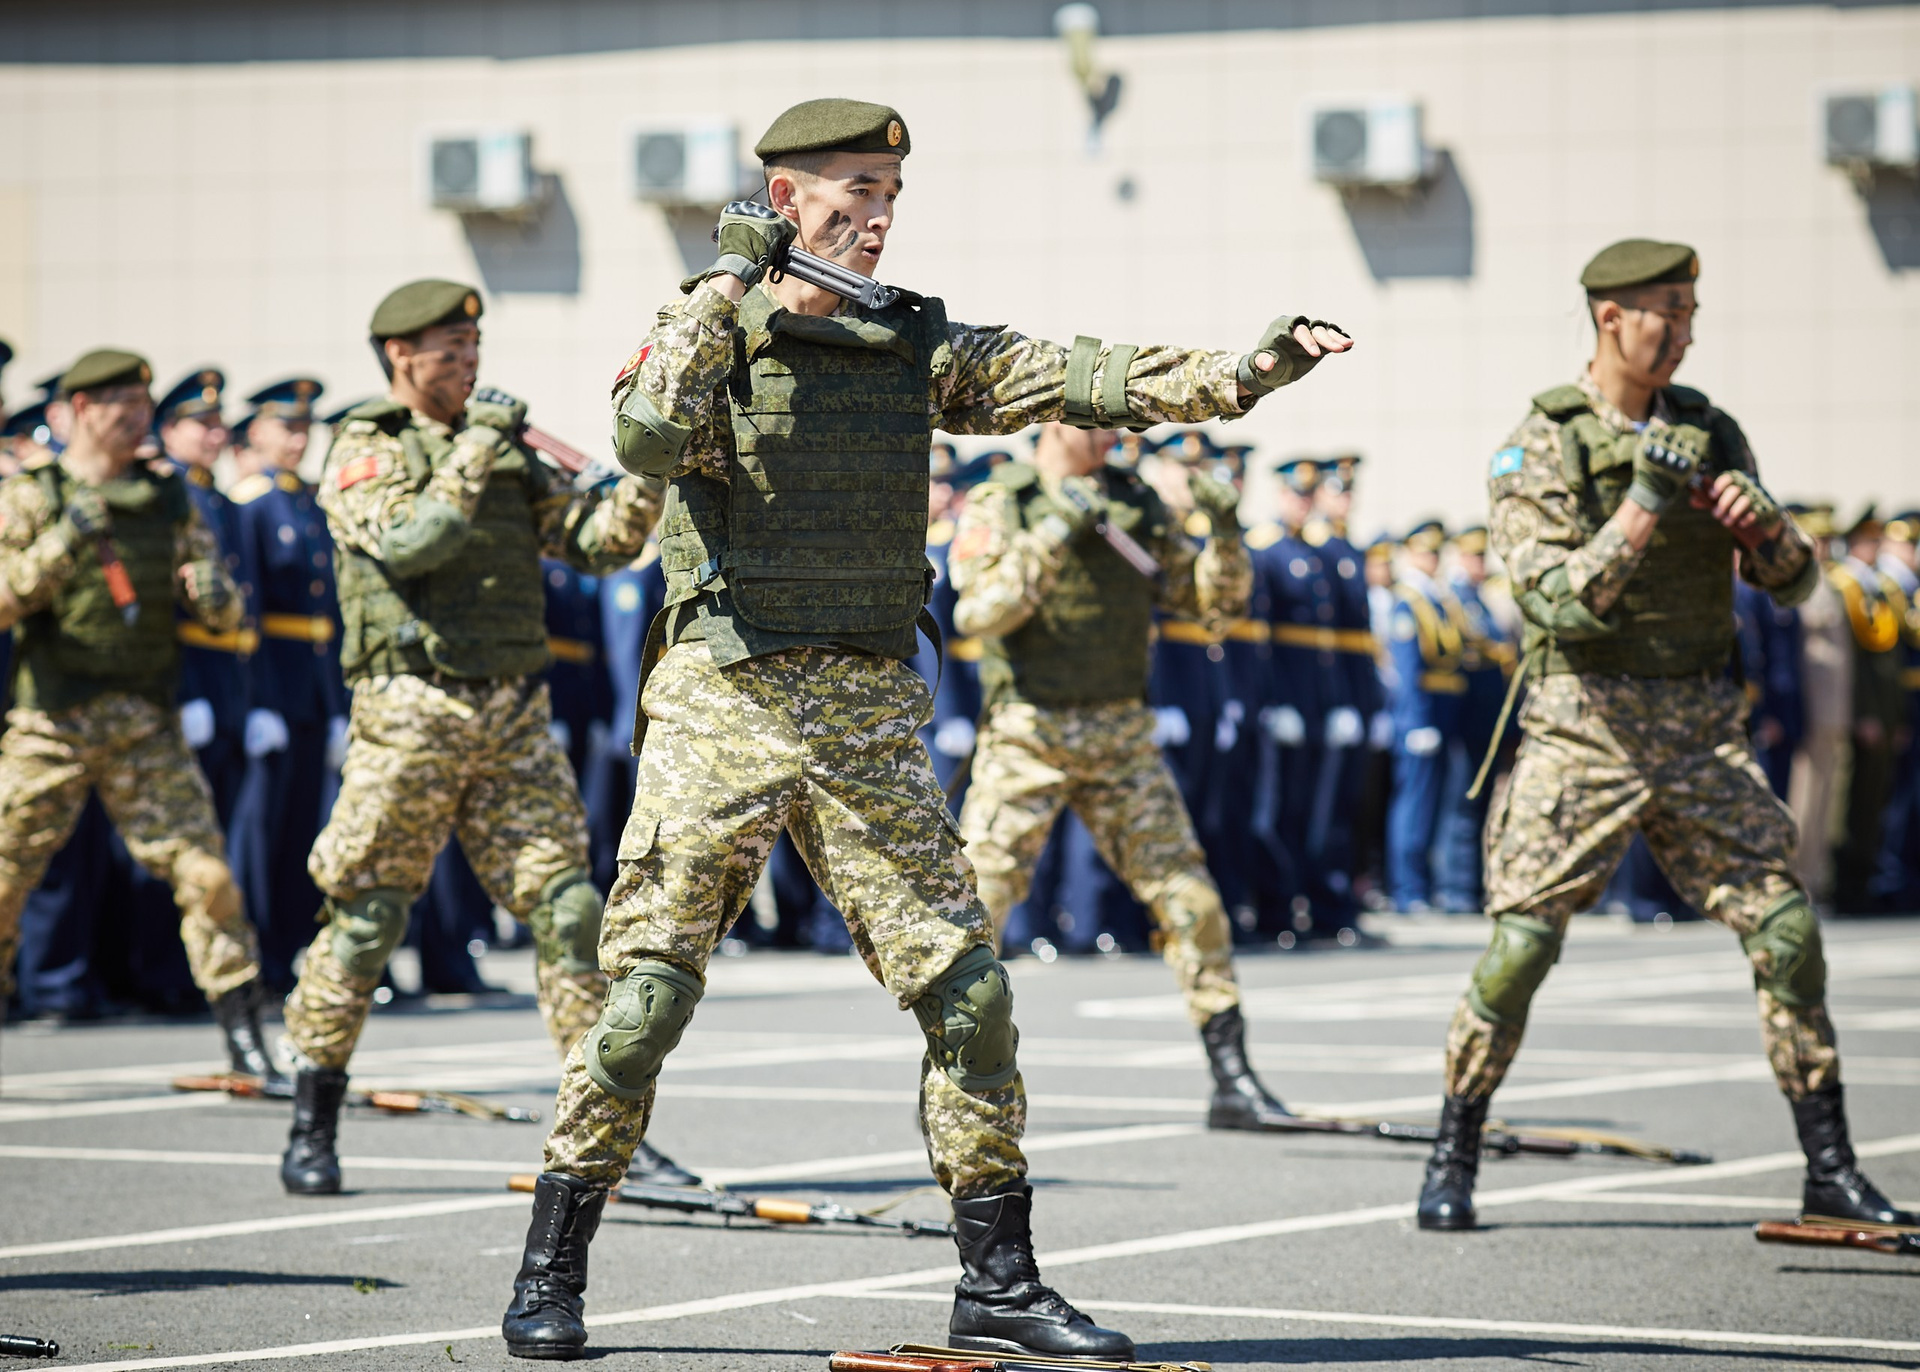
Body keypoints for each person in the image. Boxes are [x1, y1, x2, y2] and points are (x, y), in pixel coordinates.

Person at [500, 98, 1351, 1363]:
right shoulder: (711, 327)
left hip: (869, 710)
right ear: (785, 199)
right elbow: (646, 432)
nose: (881, 215)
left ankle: (997, 1280)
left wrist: (1247, 371)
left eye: (892, 192)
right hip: (724, 698)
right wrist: (729, 278)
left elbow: (1078, 373)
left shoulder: (911, 344)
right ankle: (551, 1267)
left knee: (970, 996)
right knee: (645, 998)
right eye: (855, 189)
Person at [1415, 240, 1912, 1235]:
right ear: (1611, 318)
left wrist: (1763, 530)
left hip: (1697, 727)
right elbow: (1556, 602)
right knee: (1520, 948)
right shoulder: (1542, 442)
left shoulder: (1710, 429)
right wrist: (1643, 504)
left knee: (1786, 931)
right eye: (1666, 315)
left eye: (1691, 314)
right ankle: (1453, 1149)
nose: (1684, 334)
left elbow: (1795, 584)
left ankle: (1829, 1165)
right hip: (1584, 729)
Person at [278, 280, 664, 1200]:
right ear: (400, 356)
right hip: (410, 711)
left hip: (512, 712)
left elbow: (596, 545)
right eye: (449, 352)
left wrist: (652, 472)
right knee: (369, 917)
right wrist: (482, 444)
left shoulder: (506, 451)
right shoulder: (368, 445)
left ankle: (601, 1130)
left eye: (474, 349)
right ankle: (313, 1117)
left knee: (570, 909)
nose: (468, 366)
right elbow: (415, 540)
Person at [952, 412, 1321, 1121]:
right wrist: (1055, 528)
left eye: (1117, 427)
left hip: (1121, 731)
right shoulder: (1004, 500)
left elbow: (1212, 607)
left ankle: (1232, 1077)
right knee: (978, 905)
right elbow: (980, 613)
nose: (1112, 439)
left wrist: (1225, 535)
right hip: (1028, 731)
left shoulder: (1136, 503)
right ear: (1053, 423)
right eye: (1095, 425)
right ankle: (959, 1075)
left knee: (1191, 901)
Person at [0, 349, 277, 1074]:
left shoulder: (169, 497)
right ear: (81, 410)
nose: (136, 418)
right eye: (121, 404)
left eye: (143, 405)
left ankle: (246, 1036)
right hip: (52, 722)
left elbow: (225, 609)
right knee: (4, 876)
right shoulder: (33, 495)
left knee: (209, 878)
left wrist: (213, 596)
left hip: (145, 722)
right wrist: (64, 540)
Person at [227, 378, 350, 987]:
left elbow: (329, 613)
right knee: (265, 831)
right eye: (286, 428)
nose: (298, 439)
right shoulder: (251, 505)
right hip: (273, 687)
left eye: (305, 429)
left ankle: (289, 950)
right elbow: (247, 611)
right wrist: (258, 701)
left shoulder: (309, 503)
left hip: (312, 688)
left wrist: (337, 702)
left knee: (304, 824)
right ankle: (260, 954)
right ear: (257, 433)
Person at [154, 369, 252, 825]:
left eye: (219, 424)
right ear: (170, 430)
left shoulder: (219, 499)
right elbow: (161, 608)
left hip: (229, 680)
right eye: (203, 424)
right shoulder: (165, 496)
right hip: (188, 676)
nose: (217, 434)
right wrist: (185, 693)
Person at [1826, 508, 1909, 913]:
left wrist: (1897, 716)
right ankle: (1846, 886)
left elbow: (1890, 662)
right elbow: (1853, 665)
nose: (1876, 548)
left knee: (1873, 802)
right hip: (1865, 714)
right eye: (1871, 541)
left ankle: (1863, 884)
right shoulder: (1845, 587)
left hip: (1886, 711)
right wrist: (1864, 714)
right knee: (1851, 803)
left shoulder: (1876, 588)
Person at [1383, 520, 1468, 912]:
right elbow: (1407, 668)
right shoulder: (1408, 600)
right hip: (1420, 715)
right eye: (1426, 552)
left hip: (1443, 710)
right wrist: (1417, 721)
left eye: (1436, 552)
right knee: (1414, 803)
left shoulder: (1437, 598)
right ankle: (1408, 888)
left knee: (1435, 803)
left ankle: (1425, 884)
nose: (1433, 559)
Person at [1788, 503, 1851, 901]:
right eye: (1818, 538)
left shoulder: (1828, 580)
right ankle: (1797, 880)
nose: (1825, 546)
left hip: (1833, 710)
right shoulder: (1796, 583)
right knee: (1803, 800)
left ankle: (1816, 877)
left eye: (1828, 539)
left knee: (1825, 801)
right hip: (1810, 709)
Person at [1871, 511, 1920, 909]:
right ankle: (1891, 878)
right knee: (1898, 796)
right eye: (1908, 543)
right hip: (1902, 704)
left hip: (1911, 704)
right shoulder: (1887, 587)